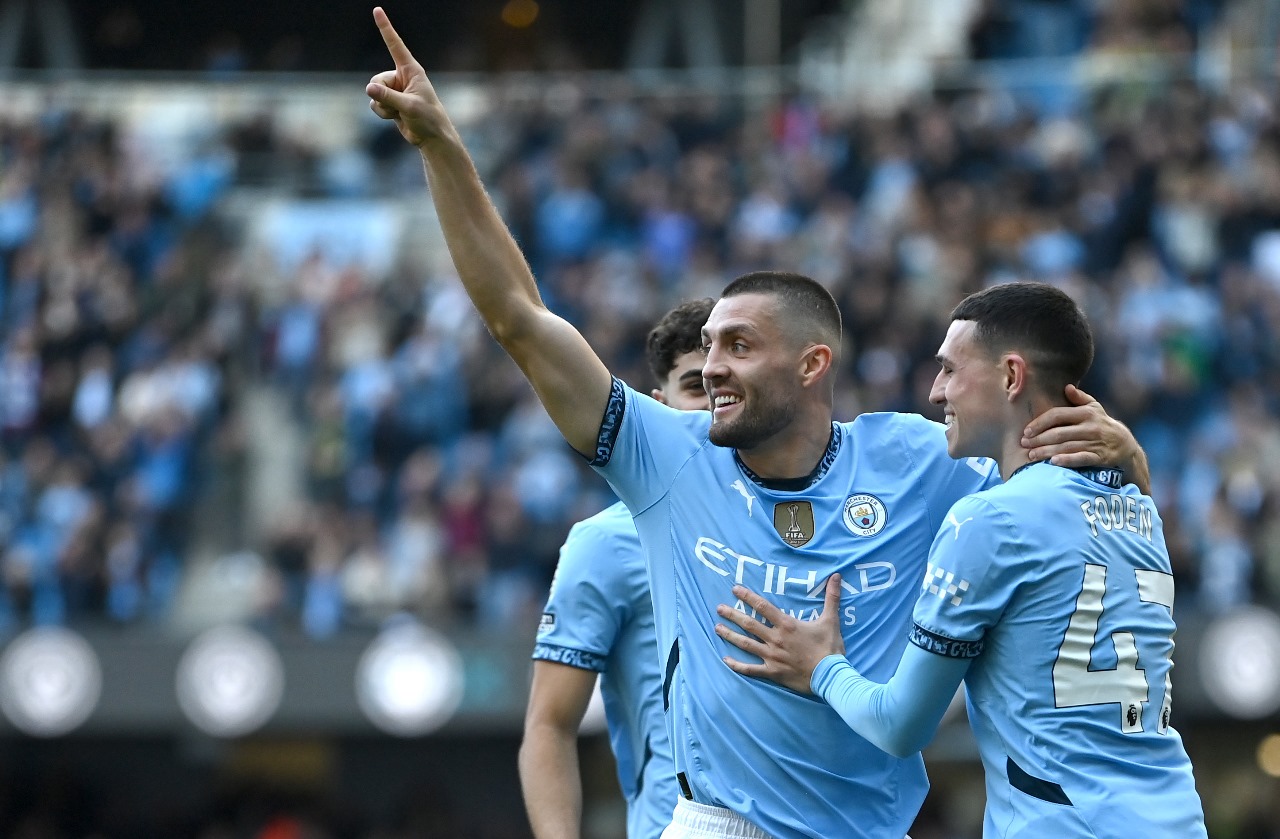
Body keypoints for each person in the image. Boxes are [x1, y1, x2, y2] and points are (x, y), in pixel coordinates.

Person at [364, 11, 1150, 837]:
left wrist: (1127, 458)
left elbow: (1079, 508)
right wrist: (443, 149)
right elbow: (519, 317)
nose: (711, 369)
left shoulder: (925, 461)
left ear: (814, 364)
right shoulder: (664, 458)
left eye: (738, 346)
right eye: (707, 348)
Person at [715, 282, 1207, 838]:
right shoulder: (1140, 505)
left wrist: (821, 667)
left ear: (1010, 377)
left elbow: (898, 726)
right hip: (1177, 817)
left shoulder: (988, 520)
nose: (934, 391)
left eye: (949, 370)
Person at [520, 298, 715, 839]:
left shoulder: (803, 519)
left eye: (726, 383)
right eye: (696, 385)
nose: (715, 402)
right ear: (659, 403)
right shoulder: (607, 542)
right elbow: (550, 724)